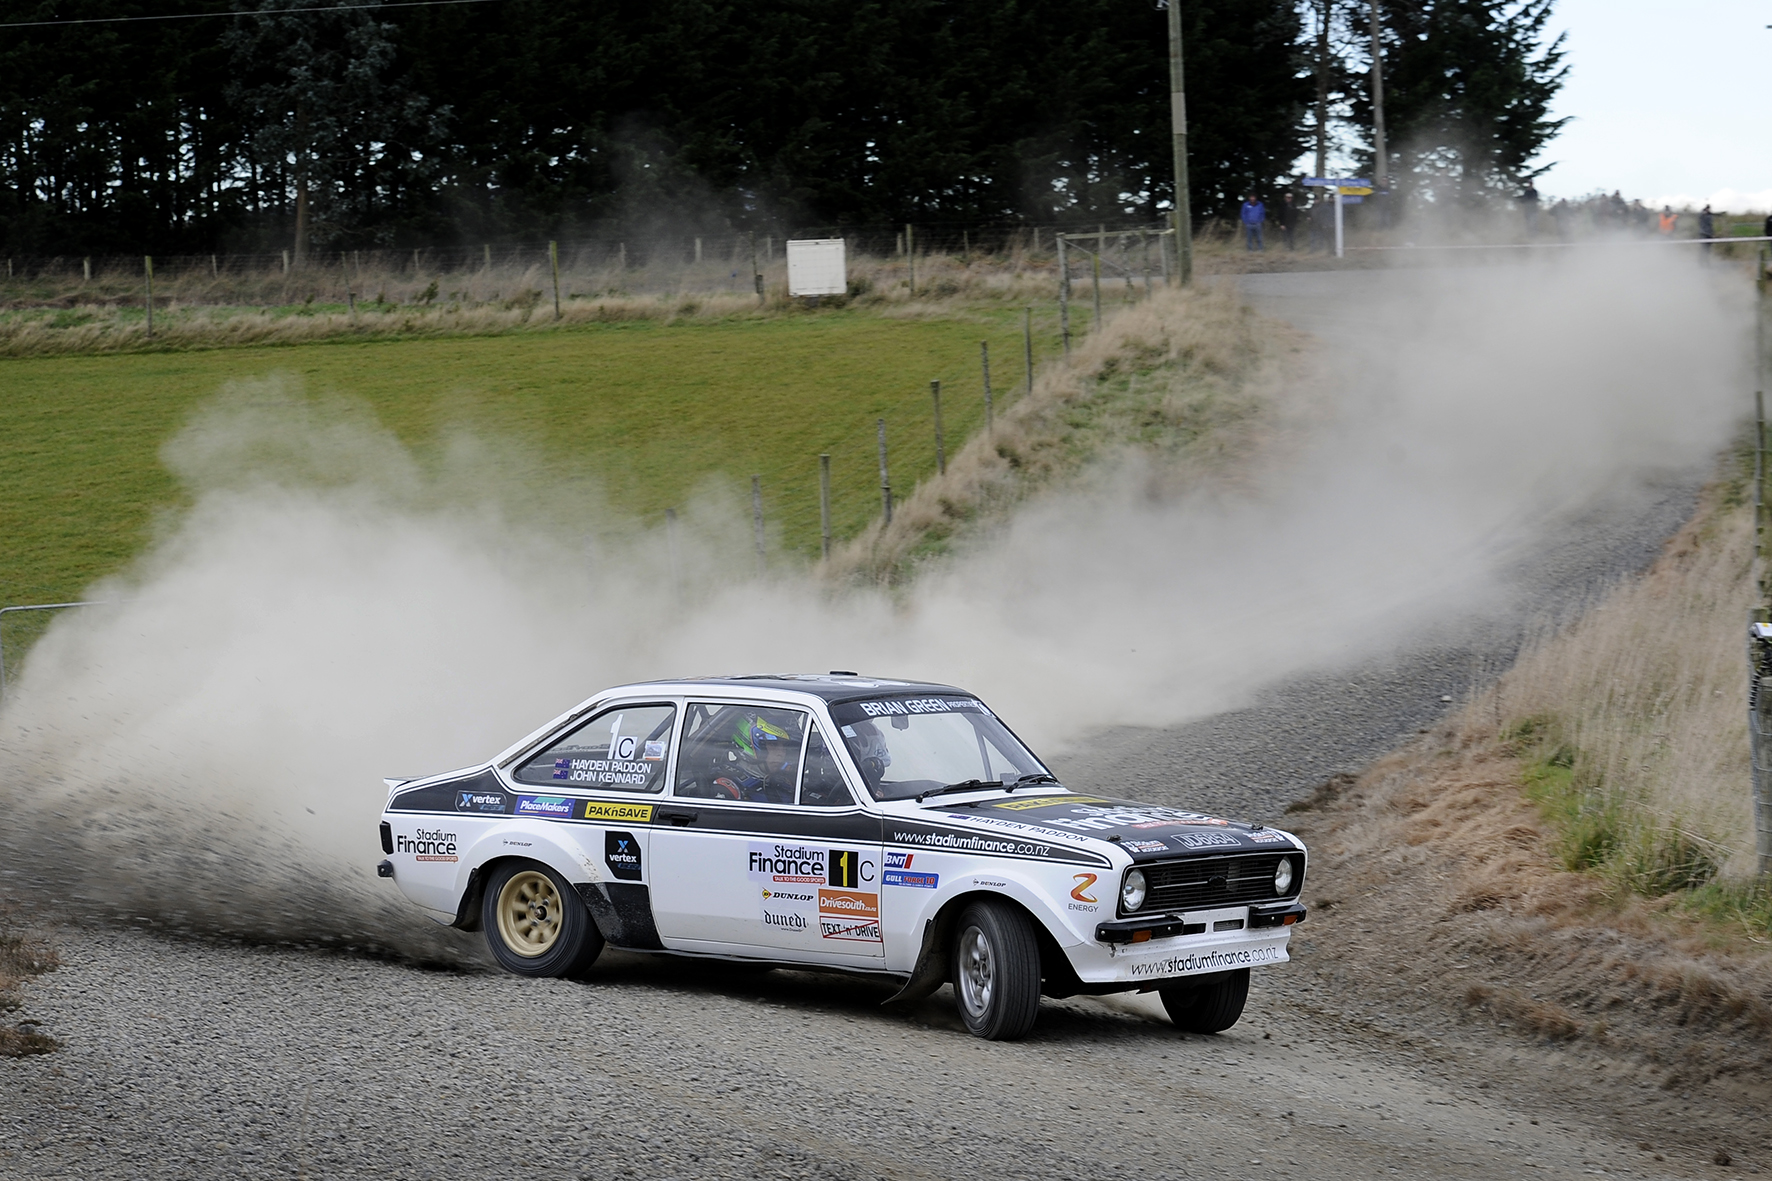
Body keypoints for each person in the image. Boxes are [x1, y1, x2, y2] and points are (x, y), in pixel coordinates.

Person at [710, 714, 799, 802]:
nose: (781, 753)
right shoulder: (727, 787)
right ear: (750, 743)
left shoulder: (784, 781)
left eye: (785, 746)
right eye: (773, 744)